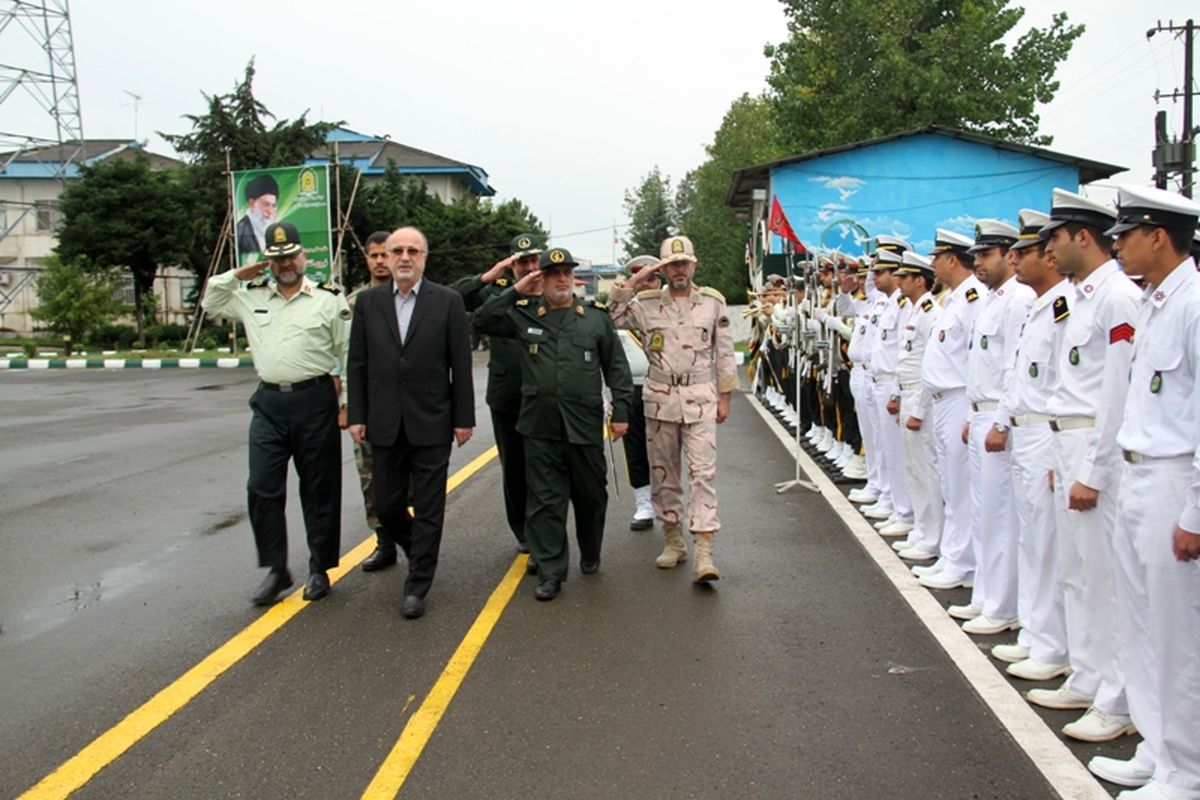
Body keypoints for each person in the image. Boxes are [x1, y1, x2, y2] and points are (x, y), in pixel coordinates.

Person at [1086, 185, 1200, 800]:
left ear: (1159, 236)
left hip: (1174, 477)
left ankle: (1188, 770)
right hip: (1139, 473)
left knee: (1178, 634)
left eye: (1126, 235)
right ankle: (1159, 751)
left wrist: (1196, 512)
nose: (1117, 245)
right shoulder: (1156, 302)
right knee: (1145, 627)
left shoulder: (1194, 304)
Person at [200, 221, 350, 606]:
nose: (285, 263)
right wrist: (238, 273)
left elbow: (348, 352)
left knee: (319, 490)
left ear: (303, 256)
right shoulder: (250, 295)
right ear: (267, 262)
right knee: (261, 487)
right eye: (276, 258)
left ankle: (319, 568)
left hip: (315, 401)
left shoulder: (329, 298)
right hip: (268, 404)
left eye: (290, 255)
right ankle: (276, 568)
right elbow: (210, 302)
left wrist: (348, 401)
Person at [1038, 189, 1141, 743]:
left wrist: (1094, 471)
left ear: (1082, 236)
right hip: (1068, 442)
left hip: (1096, 449)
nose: (1049, 247)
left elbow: (1116, 394)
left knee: (1105, 580)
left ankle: (1117, 697)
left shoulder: (1117, 298)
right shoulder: (1079, 297)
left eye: (1056, 236)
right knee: (1078, 573)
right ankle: (1088, 675)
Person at [473, 246, 633, 601]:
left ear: (574, 277)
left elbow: (616, 367)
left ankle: (590, 551)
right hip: (539, 427)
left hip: (583, 424)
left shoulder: (594, 317)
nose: (561, 279)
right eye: (551, 274)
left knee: (591, 496)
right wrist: (514, 289)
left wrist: (621, 410)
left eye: (566, 273)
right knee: (545, 501)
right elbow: (480, 320)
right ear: (540, 279)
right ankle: (551, 571)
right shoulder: (524, 314)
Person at [346, 226, 475, 620]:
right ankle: (418, 548)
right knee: (386, 506)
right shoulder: (368, 303)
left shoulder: (448, 301)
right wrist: (357, 415)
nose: (404, 257)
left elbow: (460, 364)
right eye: (397, 250)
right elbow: (358, 363)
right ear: (386, 255)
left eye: (412, 251)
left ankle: (417, 585)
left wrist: (463, 419)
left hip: (432, 421)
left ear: (424, 258)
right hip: (384, 422)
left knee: (431, 507)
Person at [608, 235, 739, 583]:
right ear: (662, 269)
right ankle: (673, 540)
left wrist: (725, 397)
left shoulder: (712, 303)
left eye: (684, 264)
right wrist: (635, 281)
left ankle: (705, 550)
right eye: (671, 265)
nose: (679, 270)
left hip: (700, 396)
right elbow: (611, 316)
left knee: (702, 474)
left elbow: (724, 352)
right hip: (660, 398)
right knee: (665, 474)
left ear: (693, 265)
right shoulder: (646, 303)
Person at [988, 207, 1074, 683]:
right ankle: (1039, 637)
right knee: (1033, 541)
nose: (1017, 260)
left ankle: (1052, 645)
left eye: (1025, 252)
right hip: (1029, 429)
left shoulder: (1064, 305)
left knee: (1049, 546)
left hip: (1050, 431)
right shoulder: (1041, 305)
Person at [956, 218, 1031, 632]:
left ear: (1009, 254)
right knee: (985, 514)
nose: (978, 262)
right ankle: (986, 594)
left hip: (1001, 416)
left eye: (986, 254)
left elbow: (1012, 369)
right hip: (981, 410)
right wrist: (973, 414)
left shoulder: (1018, 300)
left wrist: (999, 420)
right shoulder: (991, 299)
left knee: (1001, 518)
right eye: (977, 255)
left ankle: (1003, 606)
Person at [452, 233, 545, 560]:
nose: (530, 267)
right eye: (522, 262)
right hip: (508, 395)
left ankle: (543, 530)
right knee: (515, 468)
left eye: (534, 260)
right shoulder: (496, 293)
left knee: (544, 468)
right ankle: (522, 530)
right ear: (512, 264)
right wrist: (488, 277)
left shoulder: (552, 291)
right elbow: (454, 299)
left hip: (546, 397)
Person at [913, 229, 985, 591]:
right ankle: (954, 556)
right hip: (944, 400)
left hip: (960, 399)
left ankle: (962, 561)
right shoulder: (955, 300)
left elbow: (978, 359)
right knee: (950, 483)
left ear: (952, 260)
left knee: (960, 485)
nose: (932, 265)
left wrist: (972, 411)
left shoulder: (974, 299)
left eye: (936, 258)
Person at [340, 231, 398, 572]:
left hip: (404, 406)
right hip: (368, 408)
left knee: (409, 482)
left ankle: (413, 538)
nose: (379, 261)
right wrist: (349, 406)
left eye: (384, 255)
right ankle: (383, 542)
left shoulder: (411, 296)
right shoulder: (353, 303)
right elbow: (346, 356)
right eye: (373, 255)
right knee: (370, 478)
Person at [889, 250, 943, 562]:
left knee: (926, 471)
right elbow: (905, 361)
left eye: (903, 277)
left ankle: (931, 537)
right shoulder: (913, 311)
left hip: (920, 398)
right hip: (907, 393)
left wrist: (919, 410)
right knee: (914, 470)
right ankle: (922, 531)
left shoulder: (930, 312)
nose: (898, 281)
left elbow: (928, 365)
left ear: (919, 280)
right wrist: (898, 395)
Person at [615, 255, 660, 531]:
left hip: (664, 387)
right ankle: (644, 503)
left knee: (665, 448)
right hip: (631, 388)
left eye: (650, 278)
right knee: (635, 448)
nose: (646, 284)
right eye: (639, 279)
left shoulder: (670, 306)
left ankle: (666, 500)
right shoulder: (624, 311)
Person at [235, 174, 279, 262]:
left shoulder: (275, 231)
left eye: (273, 206)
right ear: (251, 204)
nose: (270, 211)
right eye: (266, 204)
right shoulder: (240, 231)